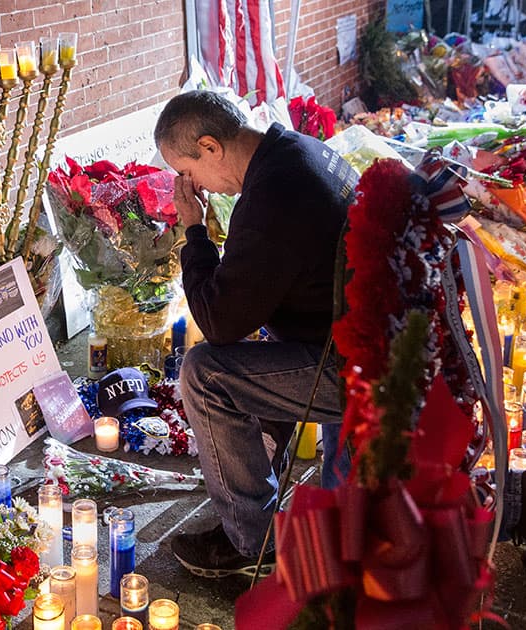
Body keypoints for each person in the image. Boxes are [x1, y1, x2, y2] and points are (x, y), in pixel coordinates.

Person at [153, 90, 357, 577]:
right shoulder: (298, 150)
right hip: (367, 339)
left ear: (210, 147)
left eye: (187, 172)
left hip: (356, 366)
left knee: (205, 374)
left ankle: (253, 541)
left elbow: (219, 323)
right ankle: (269, 498)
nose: (191, 186)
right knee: (255, 351)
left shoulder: (274, 198)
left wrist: (194, 231)